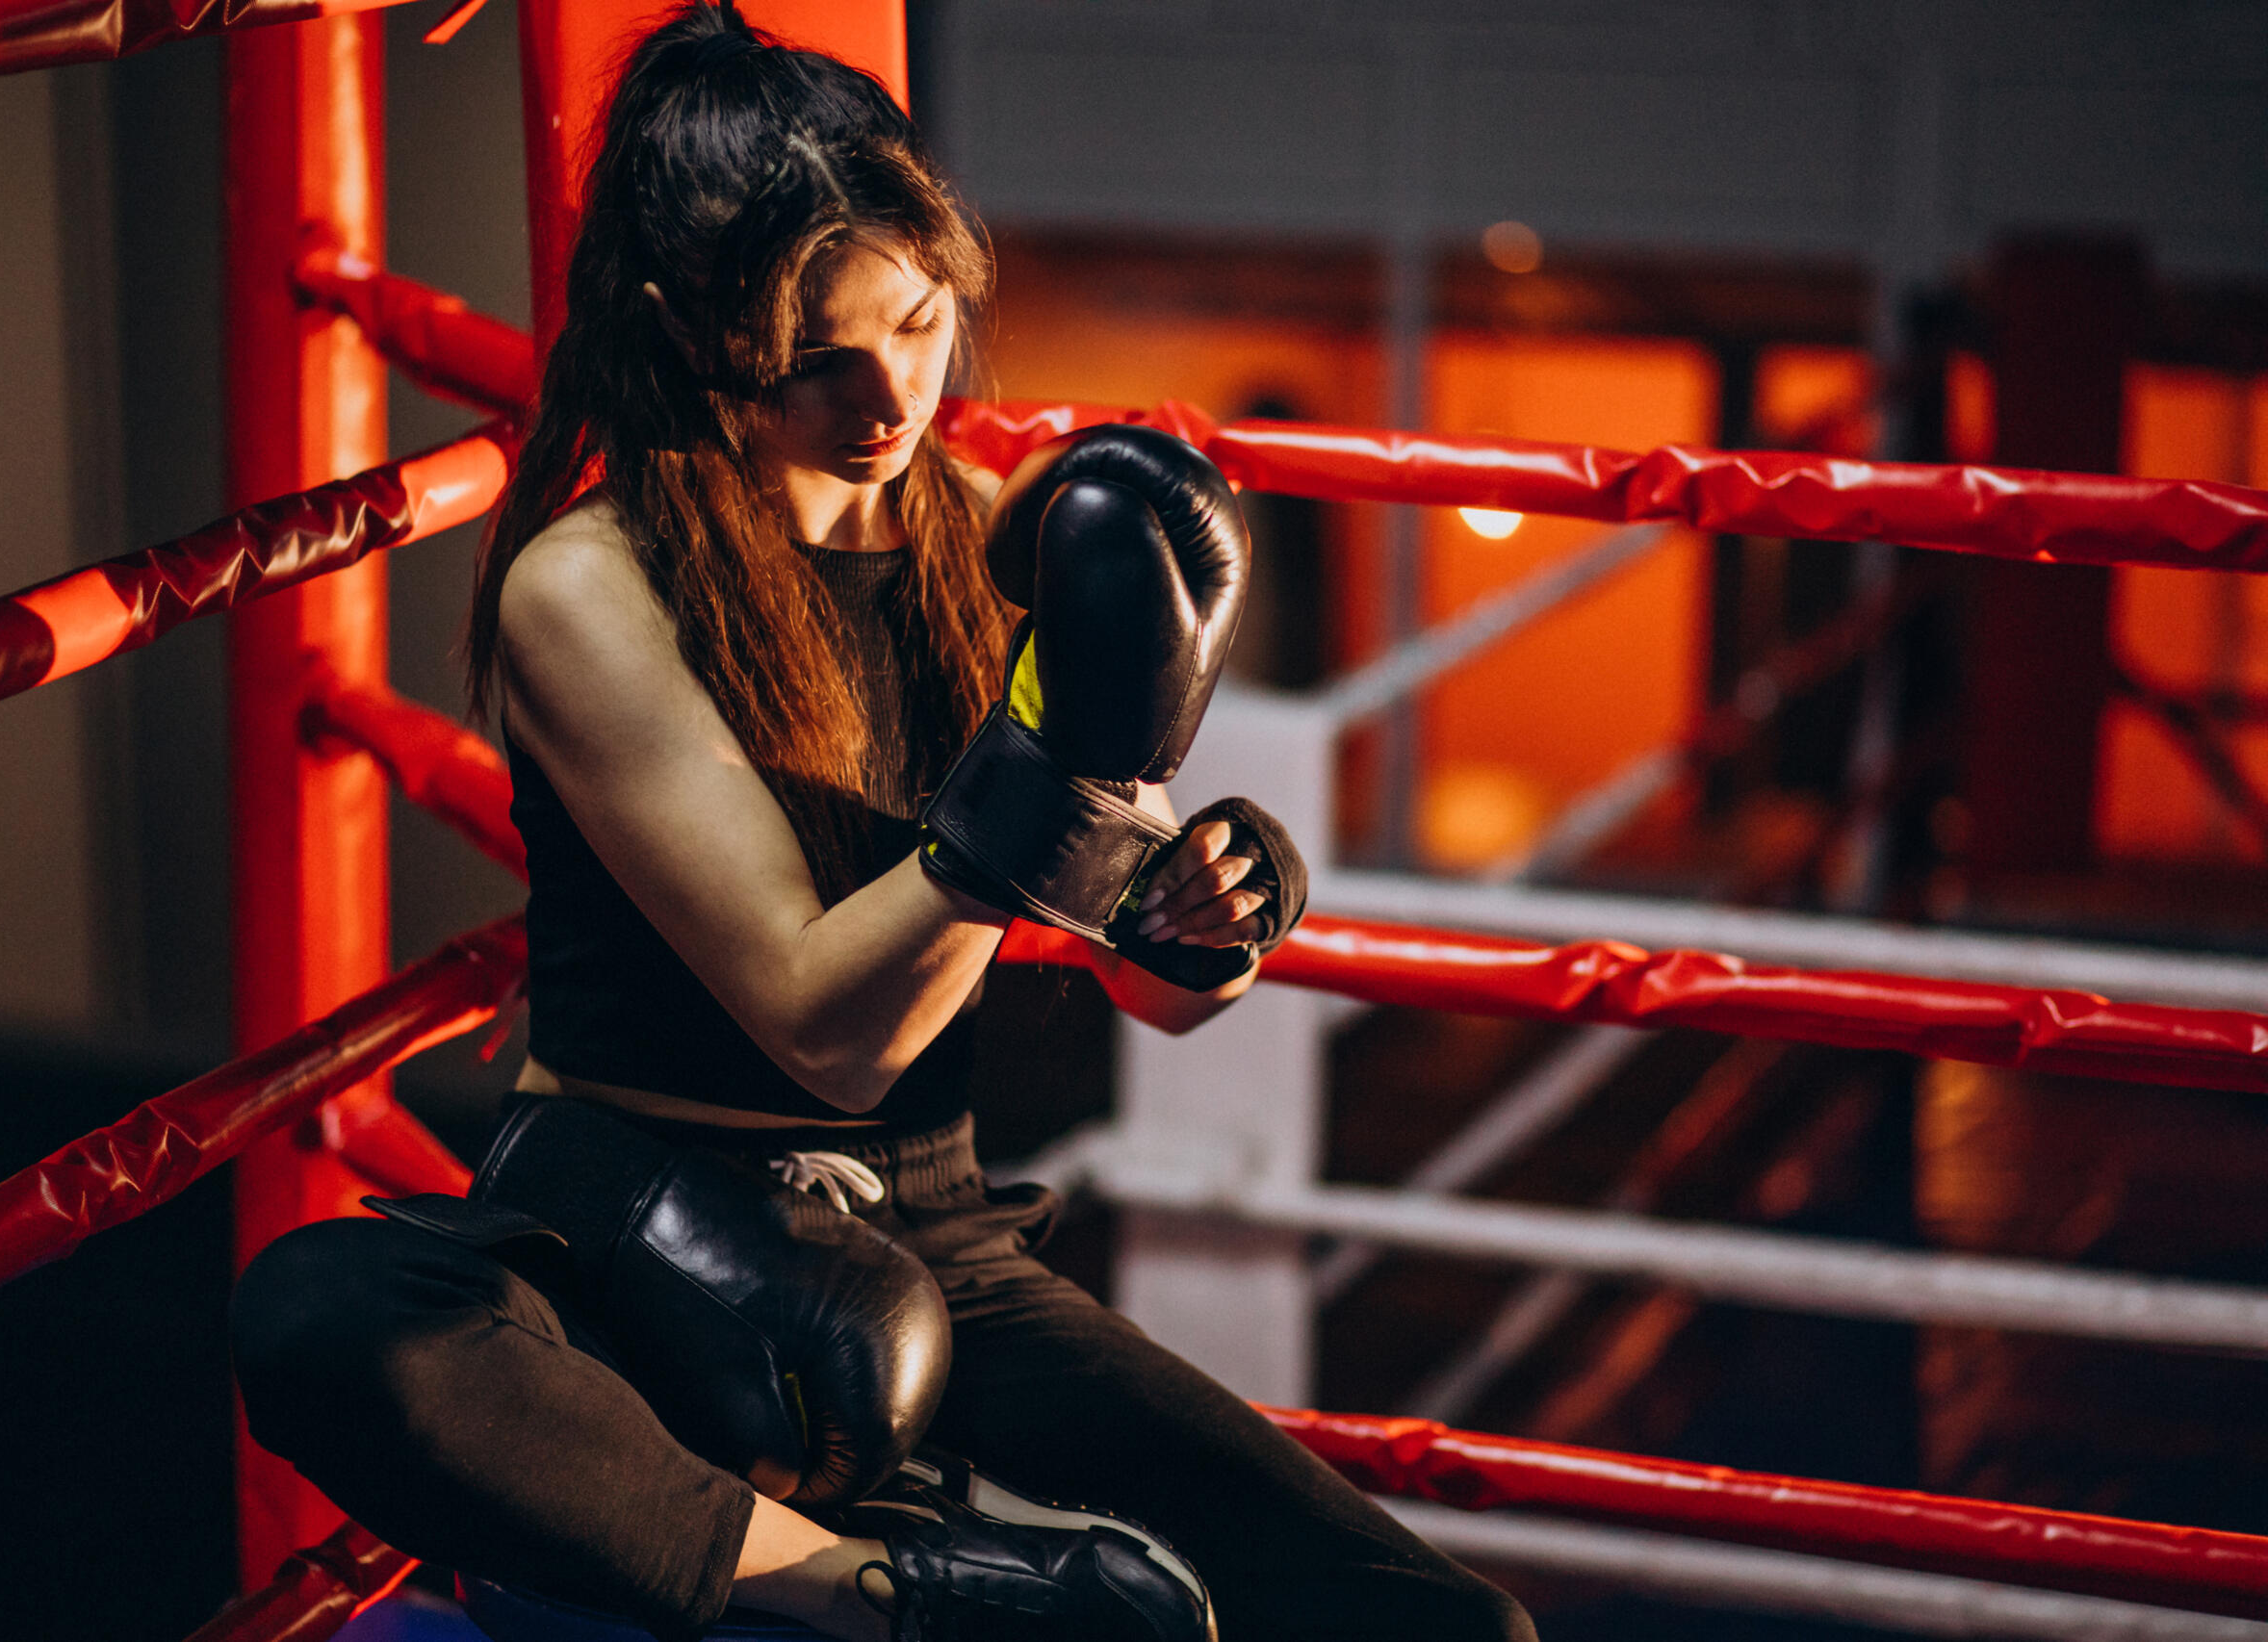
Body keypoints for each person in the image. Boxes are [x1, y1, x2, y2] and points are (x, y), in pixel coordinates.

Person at [230, 8, 1535, 1642]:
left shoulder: (985, 542)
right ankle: (887, 1596)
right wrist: (1050, 793)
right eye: (817, 356)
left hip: (933, 1228)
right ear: (682, 326)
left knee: (1442, 1626)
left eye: (917, 324)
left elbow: (1152, 990)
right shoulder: (593, 588)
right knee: (330, 1315)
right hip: (633, 1222)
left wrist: (1206, 909)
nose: (888, 394)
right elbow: (818, 1025)